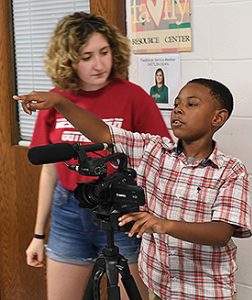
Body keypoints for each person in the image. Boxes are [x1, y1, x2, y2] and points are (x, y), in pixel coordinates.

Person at [15, 78, 252, 300]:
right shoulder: (153, 150)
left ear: (218, 118)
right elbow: (103, 132)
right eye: (177, 103)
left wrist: (163, 225)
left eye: (191, 104)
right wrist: (60, 102)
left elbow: (221, 233)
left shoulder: (230, 170)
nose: (178, 110)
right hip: (158, 284)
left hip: (204, 290)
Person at [21, 12, 171, 300]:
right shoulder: (56, 99)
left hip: (124, 214)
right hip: (69, 211)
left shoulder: (134, 96)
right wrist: (38, 235)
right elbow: (50, 171)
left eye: (104, 52)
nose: (99, 64)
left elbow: (162, 159)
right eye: (86, 56)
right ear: (68, 60)